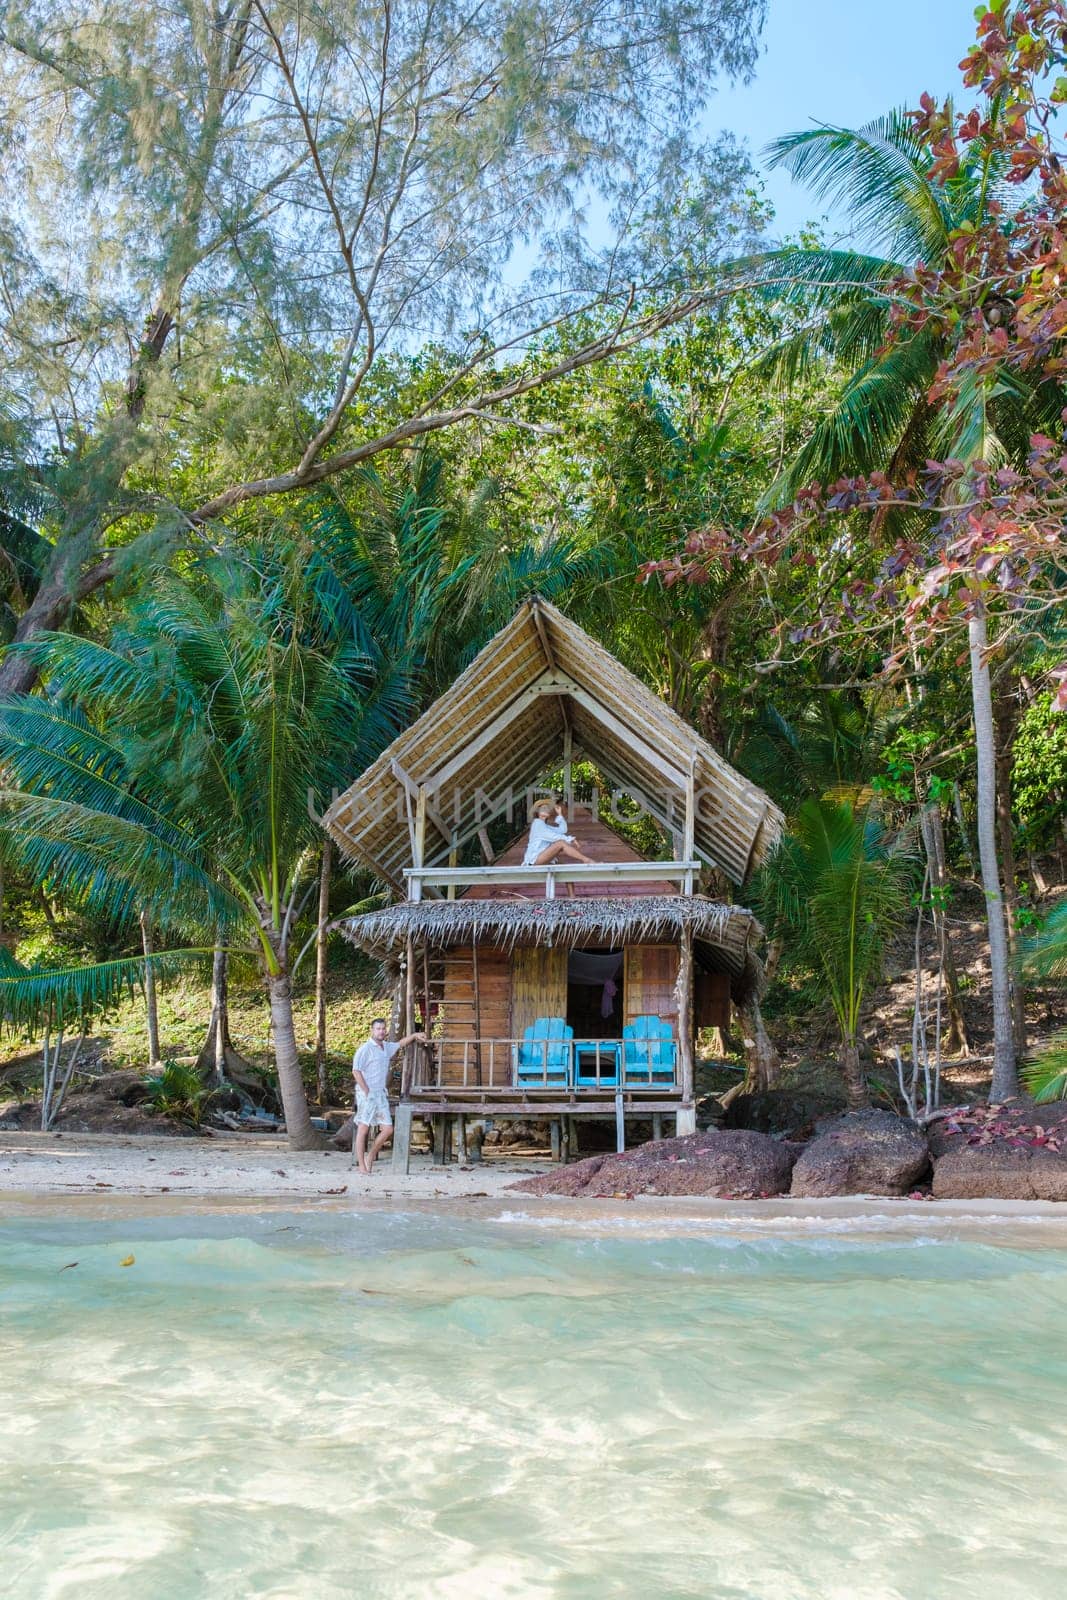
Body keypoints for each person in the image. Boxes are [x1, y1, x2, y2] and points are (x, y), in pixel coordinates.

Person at [352, 1018, 426, 1174]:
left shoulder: (386, 1047)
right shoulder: (365, 1049)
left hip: (380, 1094)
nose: (381, 1031)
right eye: (378, 1028)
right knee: (363, 1128)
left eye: (383, 1028)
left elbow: (400, 1043)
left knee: (387, 1129)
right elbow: (356, 1071)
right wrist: (366, 1091)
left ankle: (370, 1155)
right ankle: (361, 1166)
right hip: (367, 1093)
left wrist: (413, 1036)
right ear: (372, 1030)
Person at [522, 799, 594, 867]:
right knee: (561, 843)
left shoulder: (545, 826)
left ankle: (584, 863)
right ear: (537, 812)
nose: (546, 810)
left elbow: (562, 830)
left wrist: (560, 814)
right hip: (533, 860)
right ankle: (586, 860)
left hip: (541, 859)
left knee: (564, 872)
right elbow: (553, 837)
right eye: (543, 808)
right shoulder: (537, 823)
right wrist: (569, 839)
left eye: (547, 808)